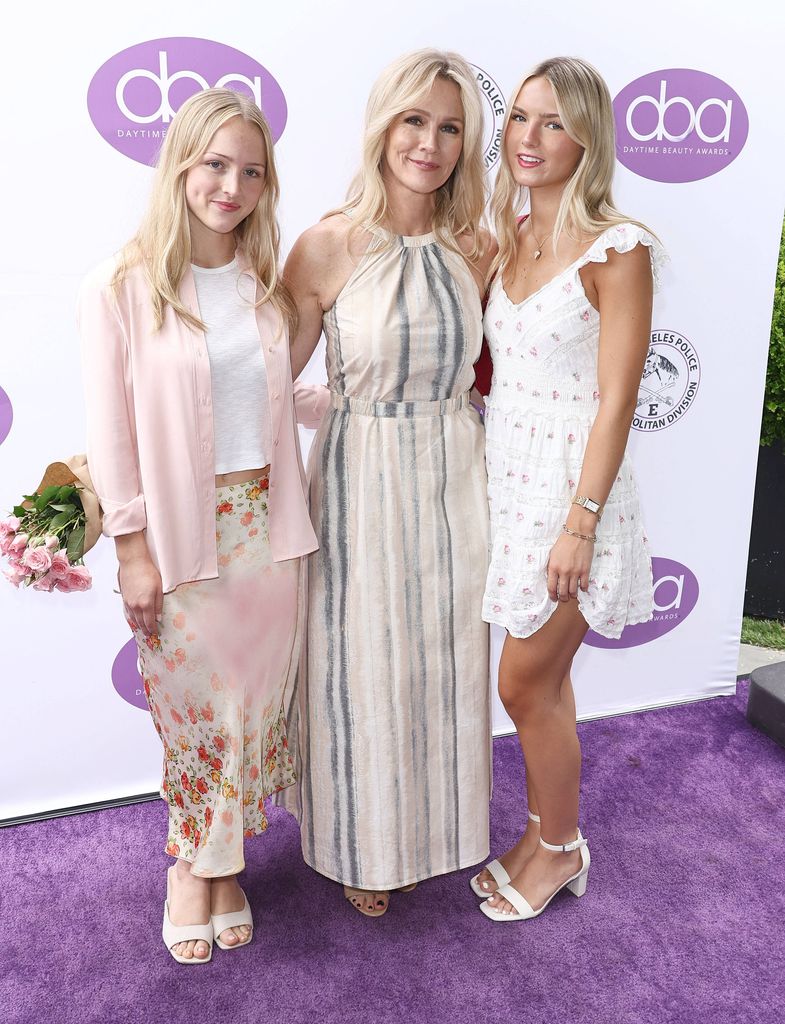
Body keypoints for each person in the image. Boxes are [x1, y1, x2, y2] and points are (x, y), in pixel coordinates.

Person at [79, 88, 322, 962]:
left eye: (251, 171)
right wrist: (132, 550)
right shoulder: (122, 285)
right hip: (183, 538)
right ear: (181, 163)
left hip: (267, 530)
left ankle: (225, 870)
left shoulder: (263, 282)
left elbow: (269, 395)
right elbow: (114, 430)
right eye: (216, 163)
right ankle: (190, 865)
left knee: (248, 711)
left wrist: (369, 399)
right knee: (194, 715)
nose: (232, 185)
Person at [283, 49, 496, 917]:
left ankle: (432, 834)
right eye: (414, 121)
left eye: (450, 128)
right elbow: (262, 377)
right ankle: (362, 845)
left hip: (452, 473)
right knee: (358, 666)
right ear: (383, 125)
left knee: (439, 663)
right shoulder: (327, 244)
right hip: (357, 473)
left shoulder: (480, 246)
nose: (430, 143)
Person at [470, 57, 666, 922]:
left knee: (522, 685)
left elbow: (617, 400)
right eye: (519, 117)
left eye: (552, 122)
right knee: (543, 683)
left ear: (586, 136)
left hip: (572, 498)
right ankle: (547, 828)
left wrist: (579, 524)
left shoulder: (616, 248)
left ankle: (559, 850)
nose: (529, 137)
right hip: (506, 485)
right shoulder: (507, 234)